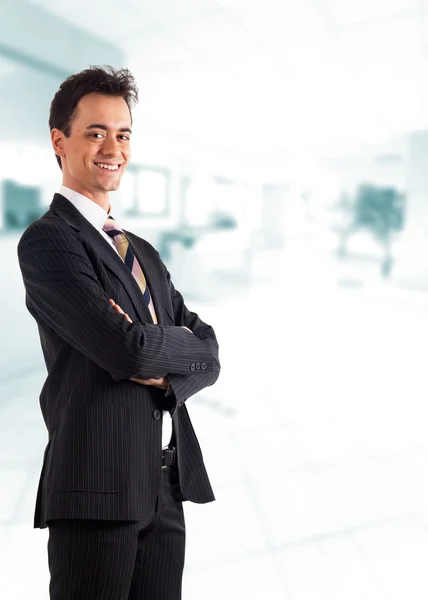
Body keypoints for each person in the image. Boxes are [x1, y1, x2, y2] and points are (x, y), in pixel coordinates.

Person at [17, 65, 220, 600]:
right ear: (59, 141)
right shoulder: (49, 243)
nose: (113, 147)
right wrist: (162, 350)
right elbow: (125, 349)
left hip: (163, 485)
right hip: (97, 491)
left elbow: (211, 352)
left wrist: (166, 369)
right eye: (96, 132)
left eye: (123, 133)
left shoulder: (143, 252)